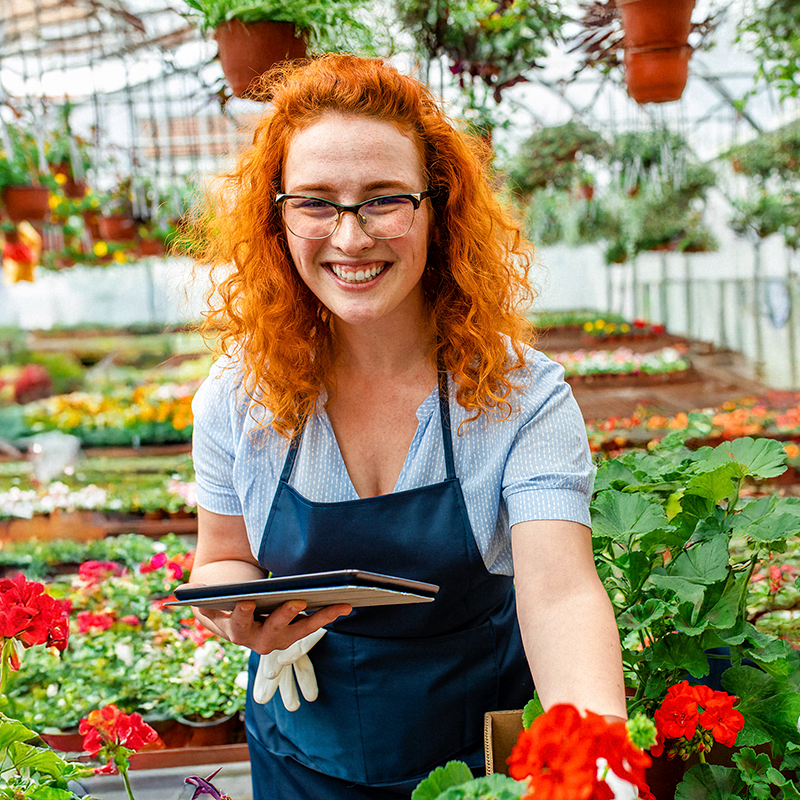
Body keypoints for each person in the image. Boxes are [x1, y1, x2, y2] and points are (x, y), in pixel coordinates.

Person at [188, 53, 626, 799]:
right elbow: (222, 559)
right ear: (278, 217)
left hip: (478, 761)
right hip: (304, 756)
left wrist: (600, 763)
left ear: (437, 208)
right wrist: (240, 617)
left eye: (385, 199)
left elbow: (559, 595)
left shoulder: (522, 395)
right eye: (316, 202)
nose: (351, 238)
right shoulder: (239, 397)